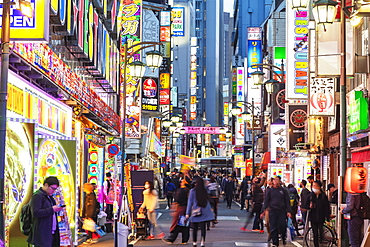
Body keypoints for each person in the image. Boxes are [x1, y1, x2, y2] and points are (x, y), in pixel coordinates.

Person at [27, 176, 63, 247]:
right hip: (42, 235)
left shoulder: (49, 197)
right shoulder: (37, 196)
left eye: (55, 189)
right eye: (52, 188)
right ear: (46, 185)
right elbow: (35, 212)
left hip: (50, 234)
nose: (53, 191)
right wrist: (52, 209)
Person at [261, 176, 291, 247]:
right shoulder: (269, 190)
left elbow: (287, 201)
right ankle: (275, 242)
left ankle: (283, 237)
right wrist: (263, 211)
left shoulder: (284, 191)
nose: (276, 181)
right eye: (274, 180)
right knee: (273, 227)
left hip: (282, 211)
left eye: (277, 180)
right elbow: (266, 201)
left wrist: (288, 211)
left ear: (280, 181)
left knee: (282, 225)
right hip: (273, 210)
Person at [186, 177, 214, 247]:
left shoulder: (192, 191)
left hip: (196, 212)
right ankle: (202, 242)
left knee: (194, 228)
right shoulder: (205, 190)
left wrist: (187, 213)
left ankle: (194, 242)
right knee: (203, 228)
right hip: (204, 211)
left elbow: (190, 203)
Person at [163, 179, 190, 244]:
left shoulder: (180, 191)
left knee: (178, 224)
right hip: (187, 208)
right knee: (184, 224)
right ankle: (184, 240)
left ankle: (172, 238)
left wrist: (174, 208)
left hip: (180, 208)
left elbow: (177, 200)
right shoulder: (188, 190)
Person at [305, 180, 330, 247]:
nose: (314, 187)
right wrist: (309, 206)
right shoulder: (310, 196)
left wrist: (327, 216)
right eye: (313, 186)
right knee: (315, 233)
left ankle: (322, 242)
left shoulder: (323, 196)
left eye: (316, 186)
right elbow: (305, 205)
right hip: (313, 217)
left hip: (321, 216)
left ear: (319, 187)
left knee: (321, 231)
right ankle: (316, 245)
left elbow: (327, 206)